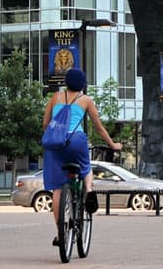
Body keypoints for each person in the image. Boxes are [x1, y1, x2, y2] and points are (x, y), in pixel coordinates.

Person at [41, 68, 122, 247]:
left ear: (66, 82)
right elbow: (99, 128)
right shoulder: (86, 100)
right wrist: (113, 145)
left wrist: (55, 135)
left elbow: (45, 124)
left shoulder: (55, 97)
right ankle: (89, 190)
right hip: (76, 140)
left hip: (56, 143)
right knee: (86, 168)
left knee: (57, 189)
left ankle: (60, 233)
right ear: (83, 84)